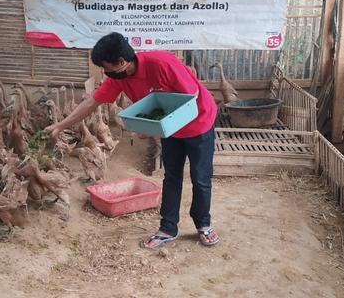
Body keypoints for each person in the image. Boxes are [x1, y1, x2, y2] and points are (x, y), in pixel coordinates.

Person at [46, 32, 220, 248]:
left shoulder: (162, 63)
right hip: (169, 128)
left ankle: (203, 225)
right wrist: (60, 126)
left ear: (121, 62)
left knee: (200, 177)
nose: (105, 72)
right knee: (172, 176)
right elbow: (92, 103)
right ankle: (168, 228)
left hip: (198, 120)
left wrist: (152, 128)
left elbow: (189, 100)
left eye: (106, 67)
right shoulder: (119, 78)